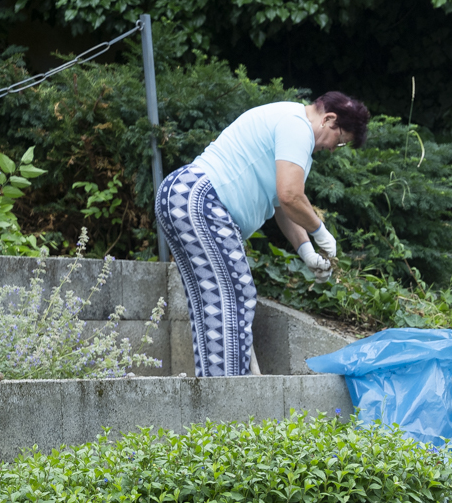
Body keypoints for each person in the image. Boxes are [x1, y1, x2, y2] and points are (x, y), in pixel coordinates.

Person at [155, 92, 370, 376]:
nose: (334, 149)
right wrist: (321, 232)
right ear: (329, 119)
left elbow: (282, 204)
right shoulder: (297, 126)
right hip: (200, 198)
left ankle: (221, 389)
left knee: (213, 300)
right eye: (340, 141)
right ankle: (228, 398)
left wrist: (306, 251)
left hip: (185, 196)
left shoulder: (292, 127)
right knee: (234, 295)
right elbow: (291, 195)